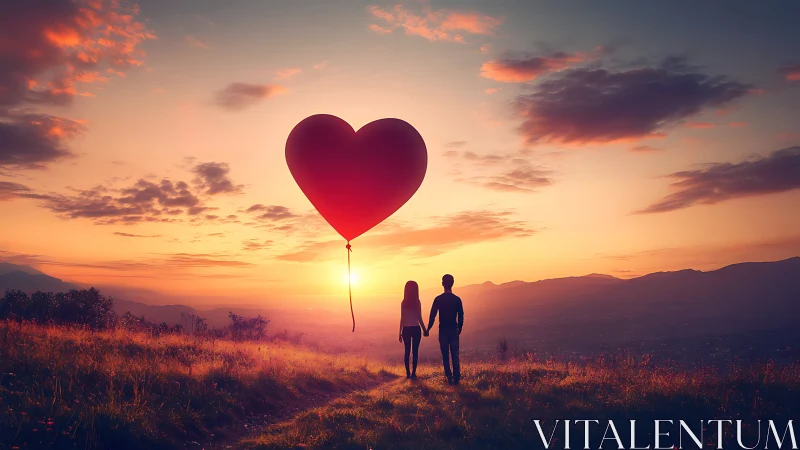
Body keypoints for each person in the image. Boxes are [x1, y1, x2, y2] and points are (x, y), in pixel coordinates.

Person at [426, 274, 463, 385]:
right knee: (455, 355)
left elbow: (432, 315)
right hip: (453, 330)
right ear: (453, 283)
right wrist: (459, 328)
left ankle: (449, 378)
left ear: (442, 284)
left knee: (445, 356)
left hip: (443, 331)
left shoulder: (438, 299)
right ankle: (457, 378)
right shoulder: (457, 300)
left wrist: (428, 329)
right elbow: (461, 316)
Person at [398, 280, 427, 379]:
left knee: (407, 351)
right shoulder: (417, 302)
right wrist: (425, 329)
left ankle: (408, 373)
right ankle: (413, 373)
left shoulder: (403, 303)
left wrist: (399, 332)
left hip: (406, 329)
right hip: (416, 329)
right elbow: (419, 317)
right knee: (415, 352)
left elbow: (402, 318)